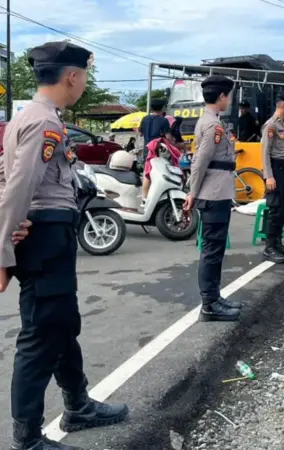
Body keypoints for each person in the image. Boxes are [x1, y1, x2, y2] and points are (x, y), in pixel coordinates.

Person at [0, 41, 129, 450]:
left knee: (62, 324)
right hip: (46, 235)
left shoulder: (29, 117)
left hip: (46, 232)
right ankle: (27, 438)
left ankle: (78, 405)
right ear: (72, 76)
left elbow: (6, 177)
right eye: (84, 76)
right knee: (41, 335)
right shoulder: (45, 123)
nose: (84, 83)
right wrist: (1, 250)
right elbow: (18, 185)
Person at [183, 75, 241, 323]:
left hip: (218, 191)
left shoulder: (211, 121)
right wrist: (192, 193)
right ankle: (209, 304)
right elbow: (200, 162)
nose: (230, 100)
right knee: (212, 250)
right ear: (222, 96)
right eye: (229, 96)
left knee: (215, 249)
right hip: (214, 194)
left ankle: (215, 297)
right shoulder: (213, 126)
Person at [261, 93, 284, 263]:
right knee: (275, 208)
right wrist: (268, 176)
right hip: (274, 168)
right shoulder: (271, 125)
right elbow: (265, 152)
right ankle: (269, 247)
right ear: (283, 105)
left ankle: (277, 243)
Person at [138, 98, 172, 202]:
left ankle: (145, 199)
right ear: (163, 108)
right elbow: (168, 137)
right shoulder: (163, 120)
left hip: (147, 150)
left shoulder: (145, 119)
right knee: (161, 173)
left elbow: (140, 133)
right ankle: (159, 198)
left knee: (147, 174)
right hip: (158, 151)